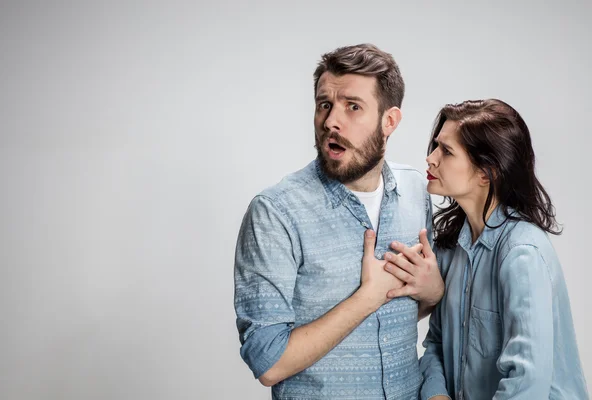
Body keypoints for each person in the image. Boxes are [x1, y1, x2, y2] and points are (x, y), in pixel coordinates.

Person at [233, 43, 445, 399]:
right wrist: (366, 298)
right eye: (324, 104)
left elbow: (397, 313)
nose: (331, 120)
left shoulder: (415, 192)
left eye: (353, 107)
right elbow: (267, 362)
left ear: (389, 121)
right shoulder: (275, 212)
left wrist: (434, 292)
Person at [383, 99, 589, 399]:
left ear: (486, 173)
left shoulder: (522, 254)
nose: (430, 158)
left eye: (447, 151)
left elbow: (526, 382)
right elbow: (435, 346)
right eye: (436, 146)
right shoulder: (450, 251)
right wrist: (436, 396)